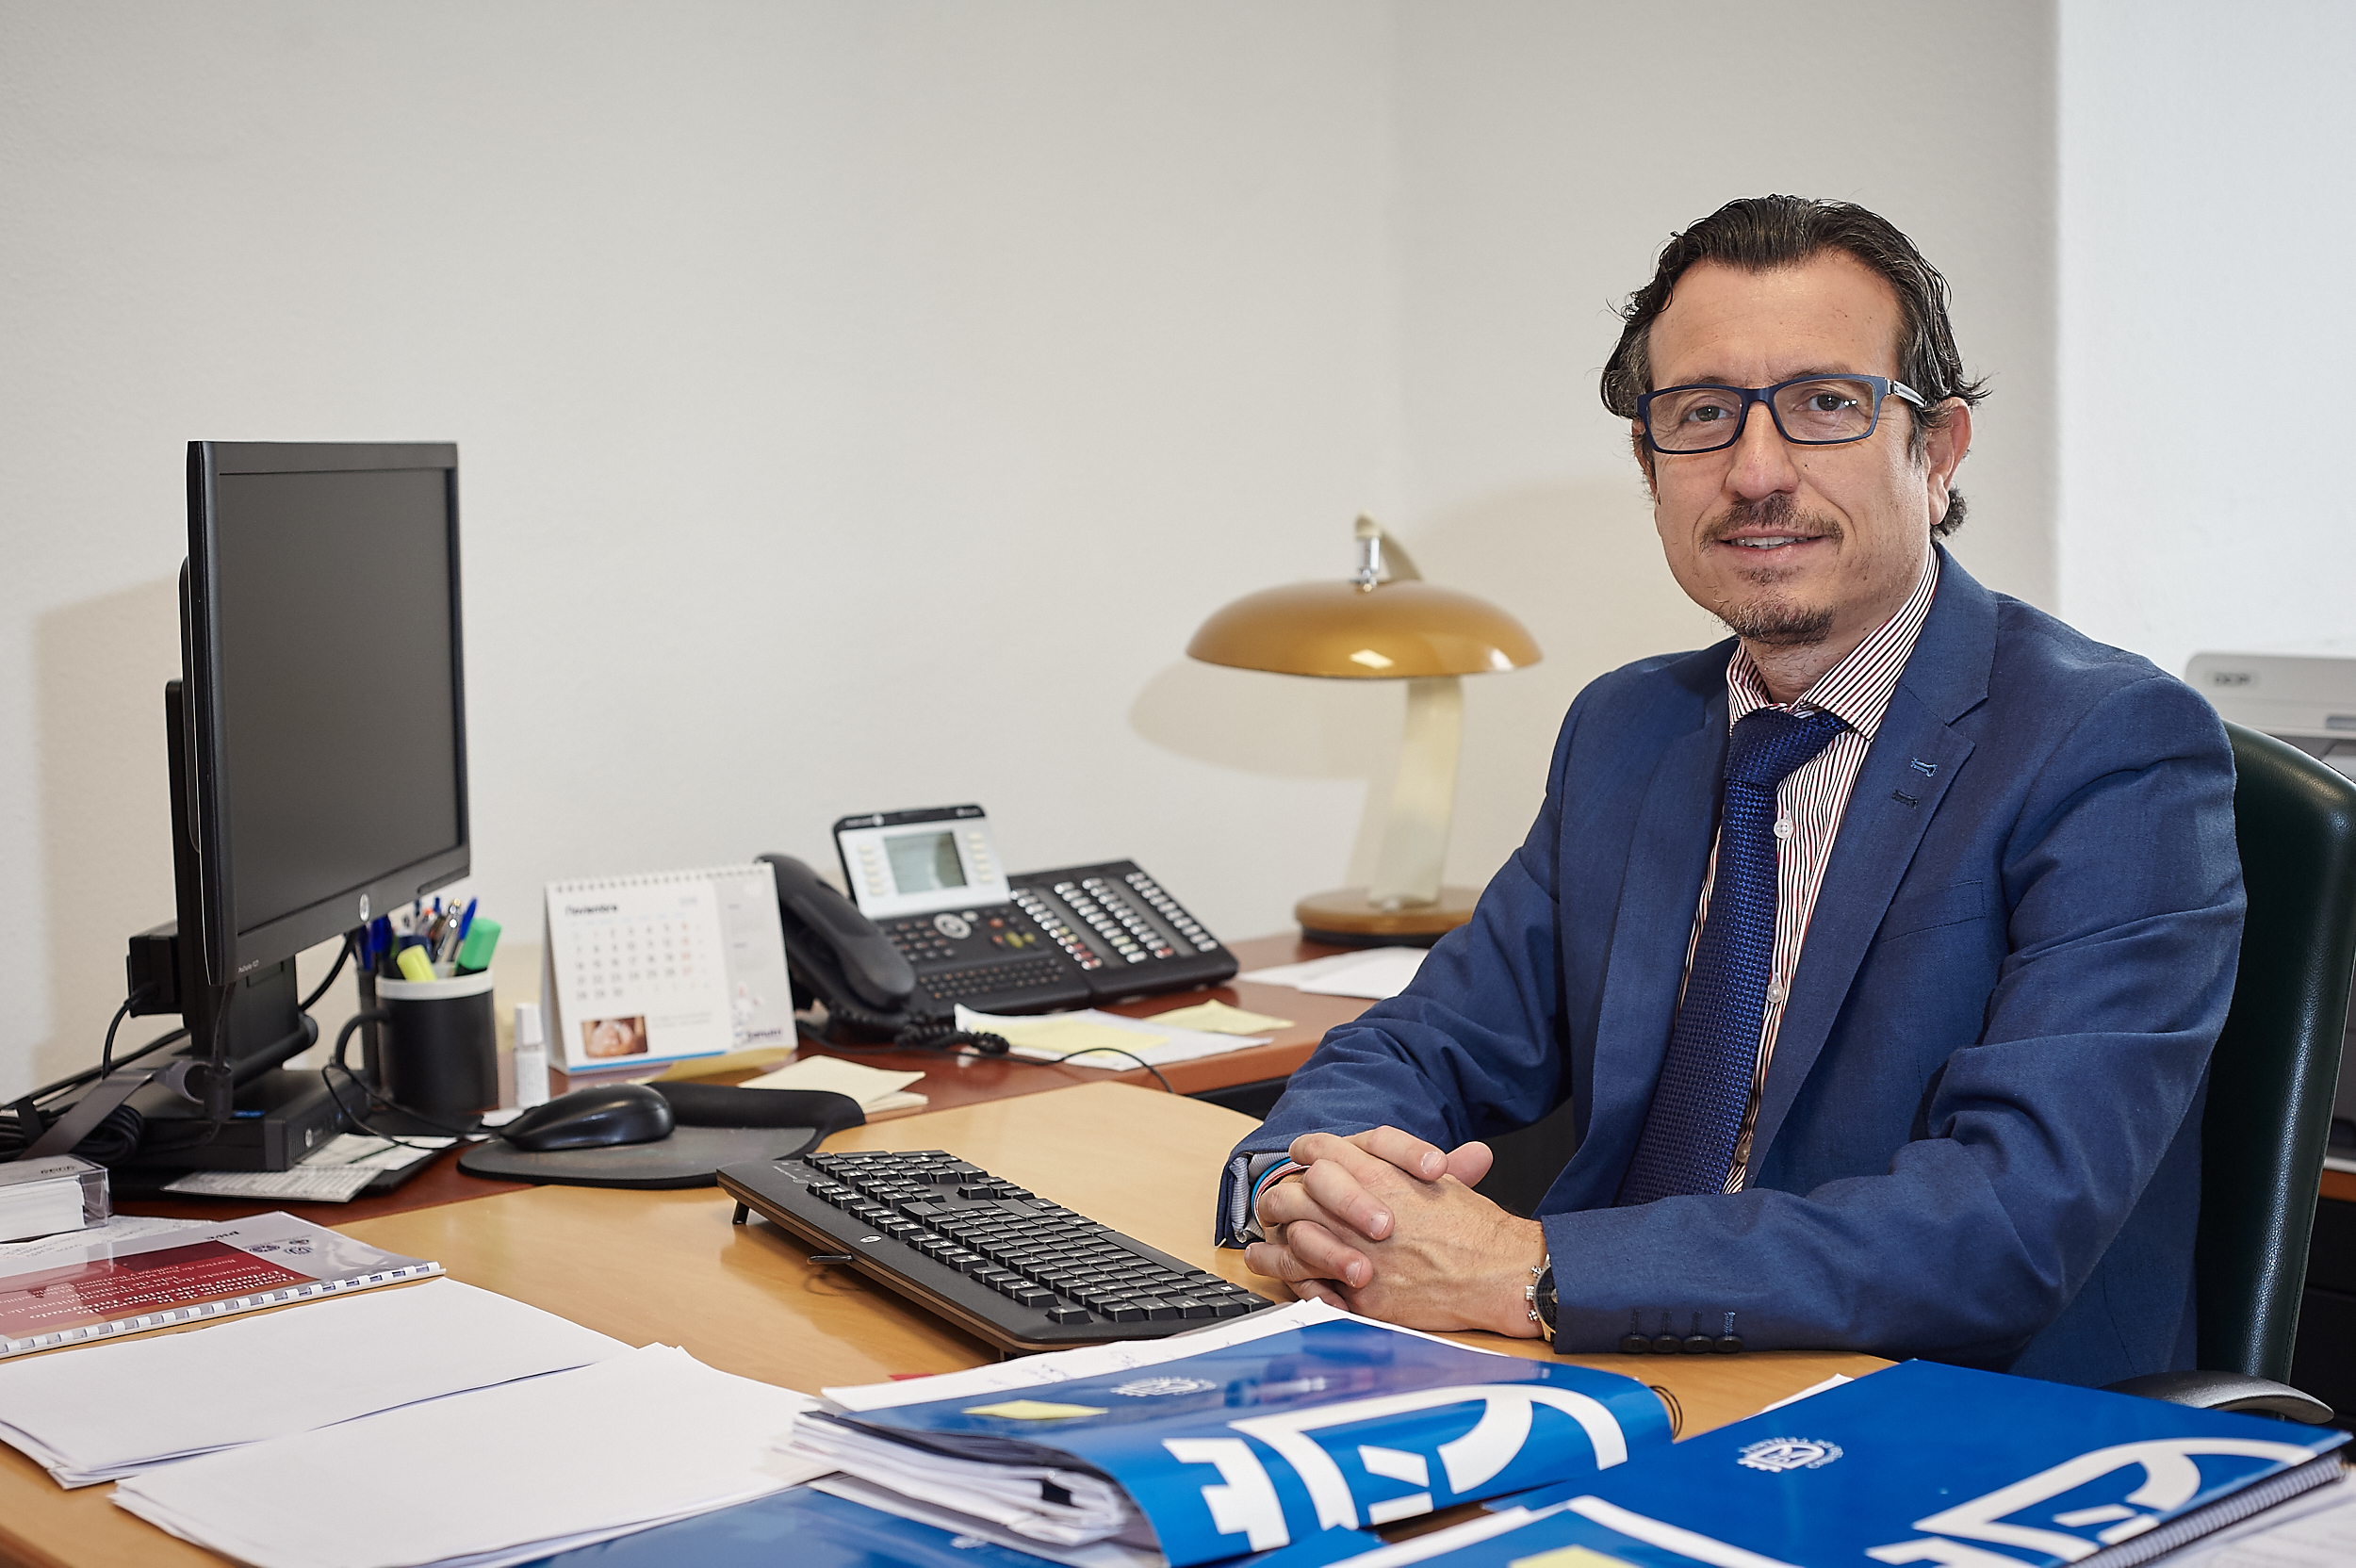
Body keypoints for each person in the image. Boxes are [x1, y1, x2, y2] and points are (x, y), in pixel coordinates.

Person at [1217, 196, 2243, 1386]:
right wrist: (1302, 1181)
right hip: (1606, 1370)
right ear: (1649, 464)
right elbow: (1433, 1037)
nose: (1756, 472)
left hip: (1935, 1399)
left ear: (1937, 450)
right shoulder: (1628, 726)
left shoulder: (2109, 745)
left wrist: (1528, 1267)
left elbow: (2011, 1219)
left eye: (1825, 404)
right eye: (1702, 414)